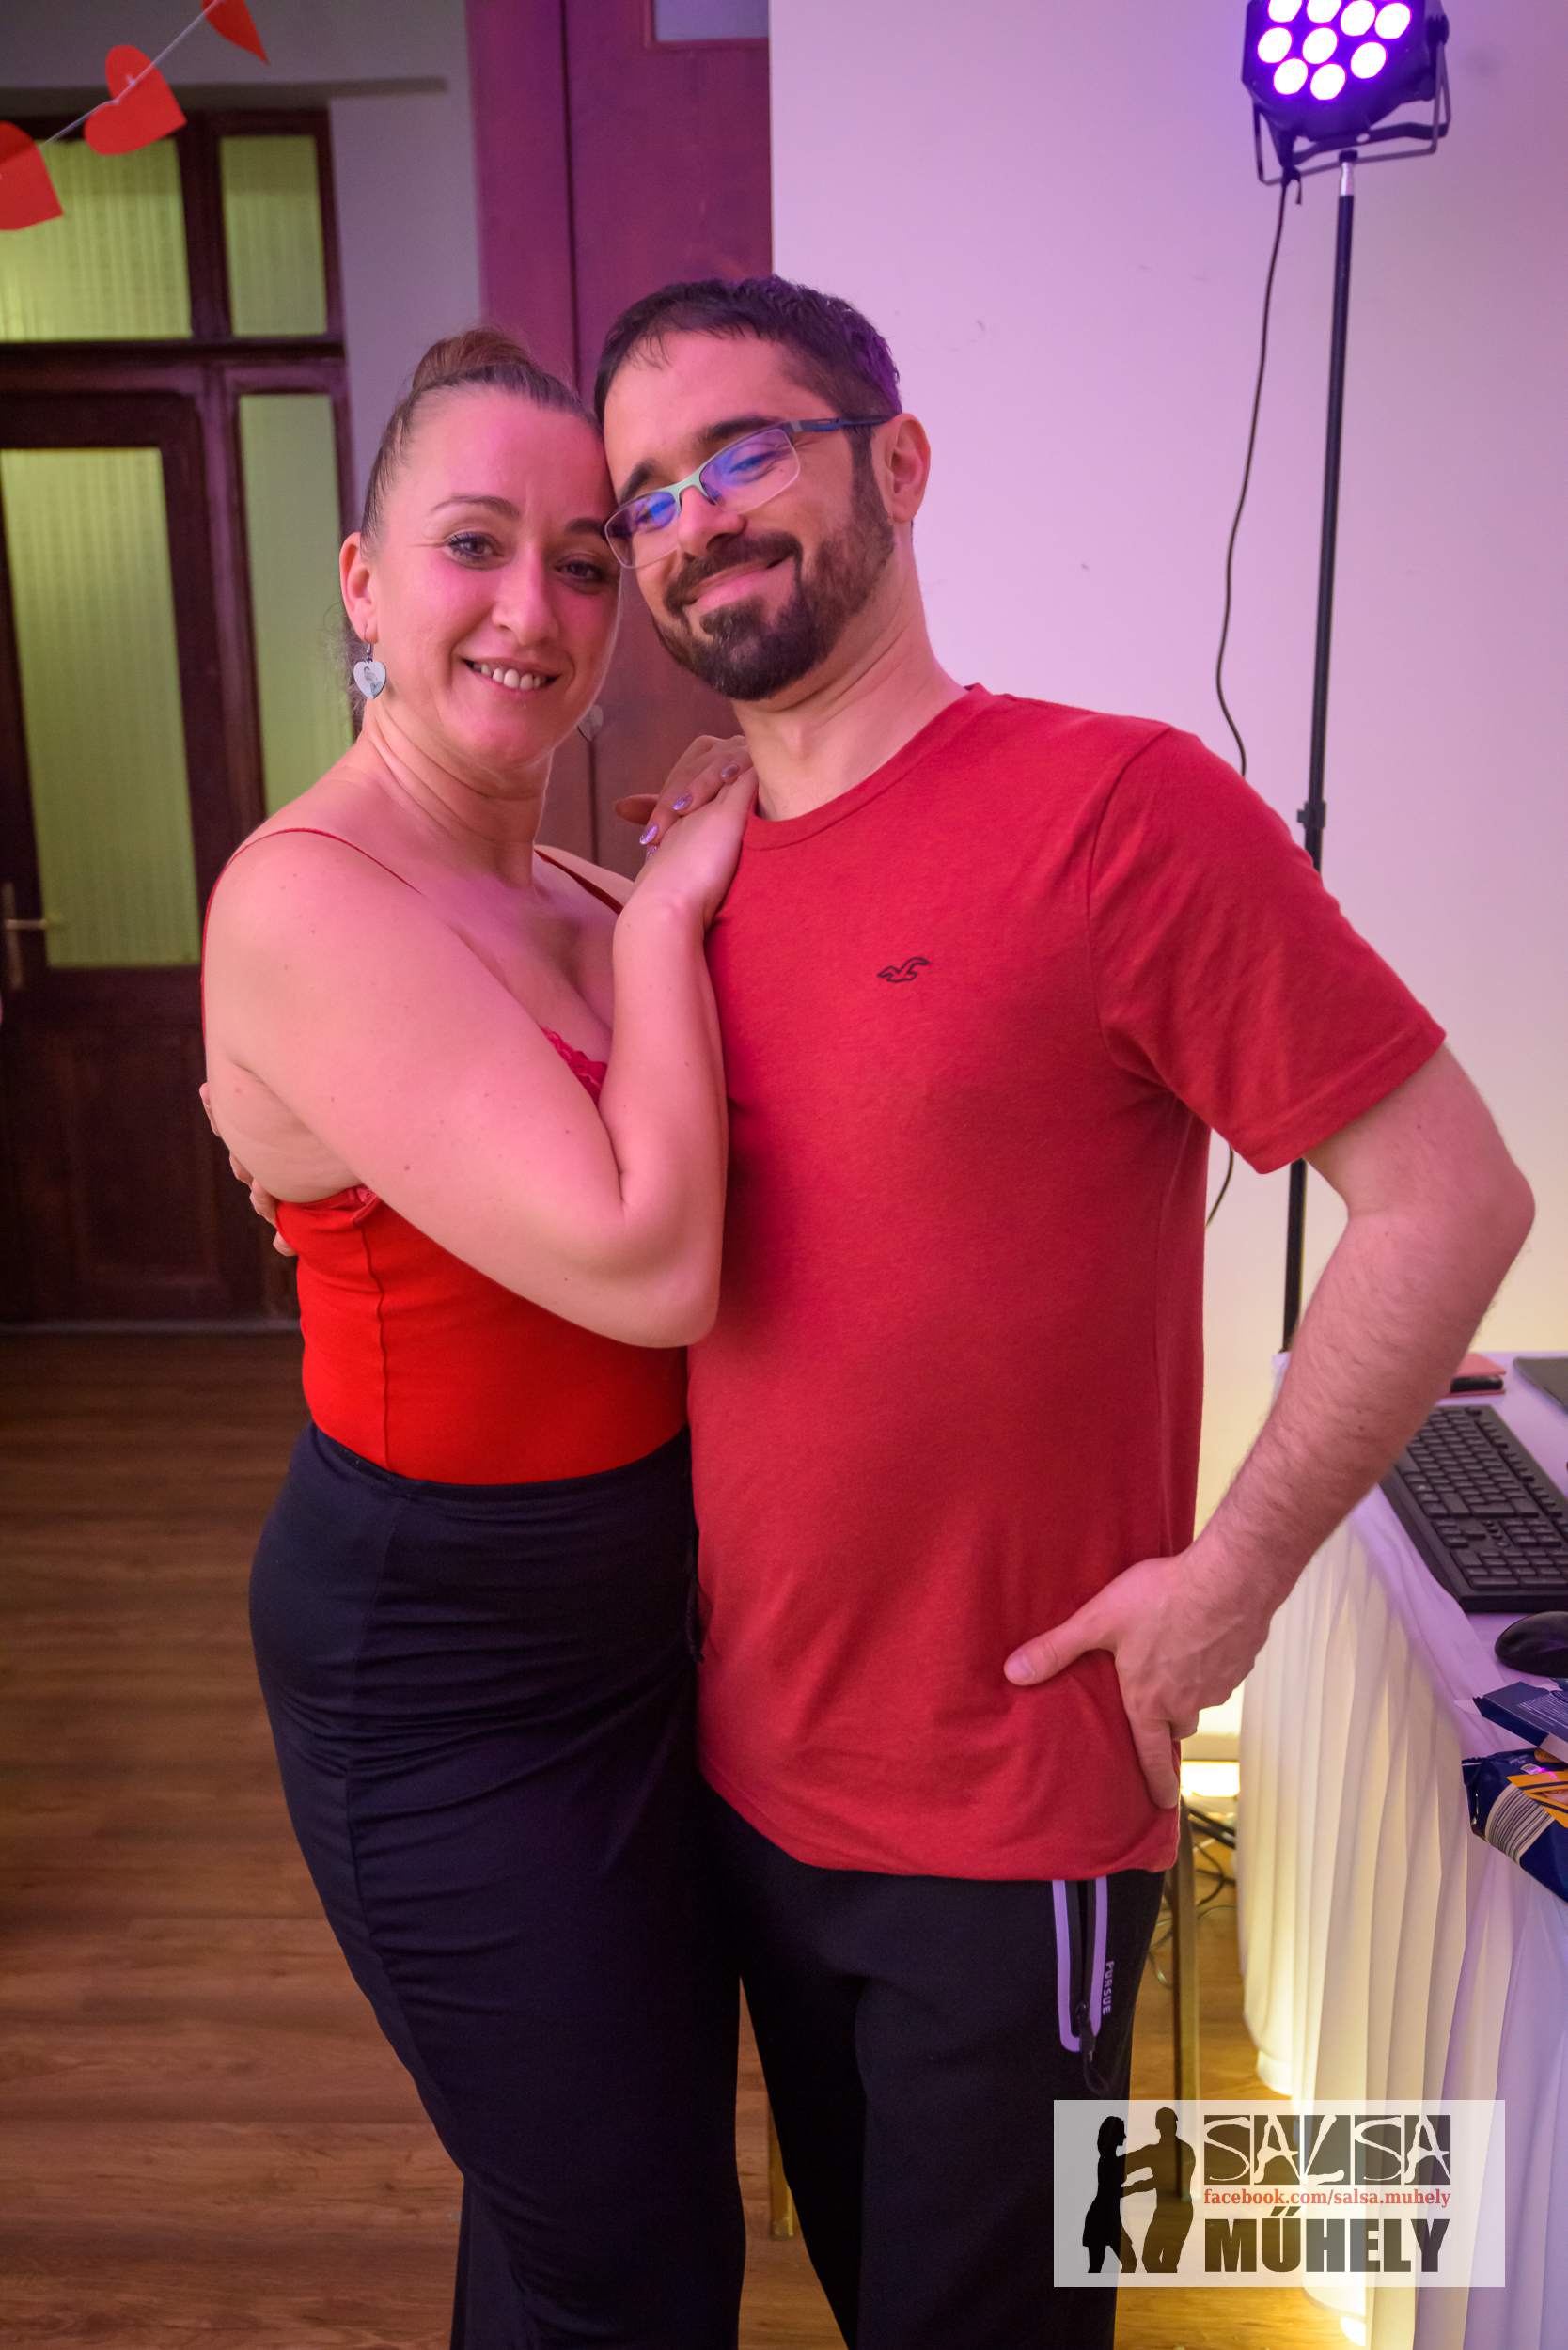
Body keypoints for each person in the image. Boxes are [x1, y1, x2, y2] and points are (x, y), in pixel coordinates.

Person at [591, 275, 1533, 2350]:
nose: (695, 517)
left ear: (899, 463)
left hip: (1009, 1815)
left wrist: (1232, 1582)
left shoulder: (1120, 811)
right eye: (646, 492)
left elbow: (1451, 1198)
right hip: (743, 1782)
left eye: (745, 452)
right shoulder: (689, 876)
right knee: (863, 2292)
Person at [201, 328, 755, 2349]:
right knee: (632, 2250)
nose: (534, 606)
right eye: (472, 545)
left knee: (580, 2210)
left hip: (647, 1629)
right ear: (364, 582)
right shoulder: (311, 896)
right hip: (443, 1664)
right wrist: (681, 916)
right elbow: (647, 1263)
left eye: (587, 559)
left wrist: (683, 889)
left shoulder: (576, 881)